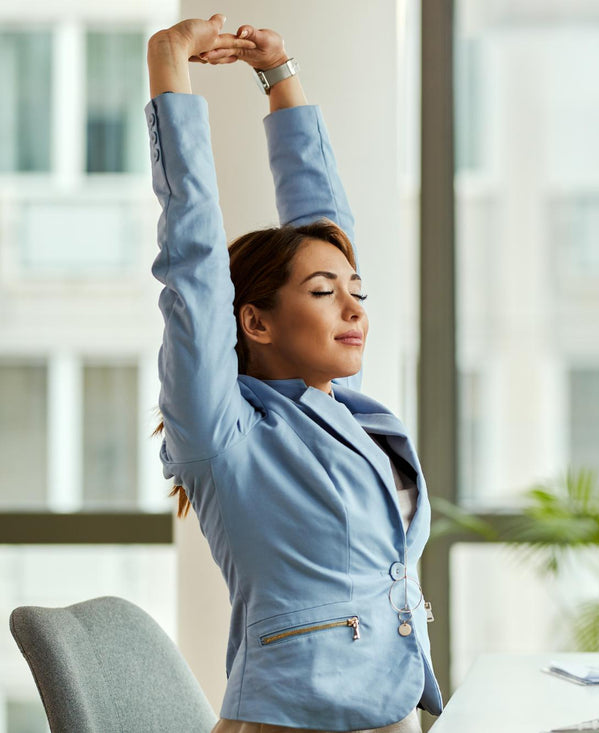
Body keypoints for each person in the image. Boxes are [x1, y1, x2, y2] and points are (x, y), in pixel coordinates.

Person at [145, 15, 441, 733]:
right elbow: (195, 265)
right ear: (253, 322)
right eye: (322, 293)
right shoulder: (223, 430)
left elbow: (323, 223)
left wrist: (278, 74)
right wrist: (169, 66)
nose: (353, 308)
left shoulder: (350, 417)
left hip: (391, 712)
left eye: (357, 291)